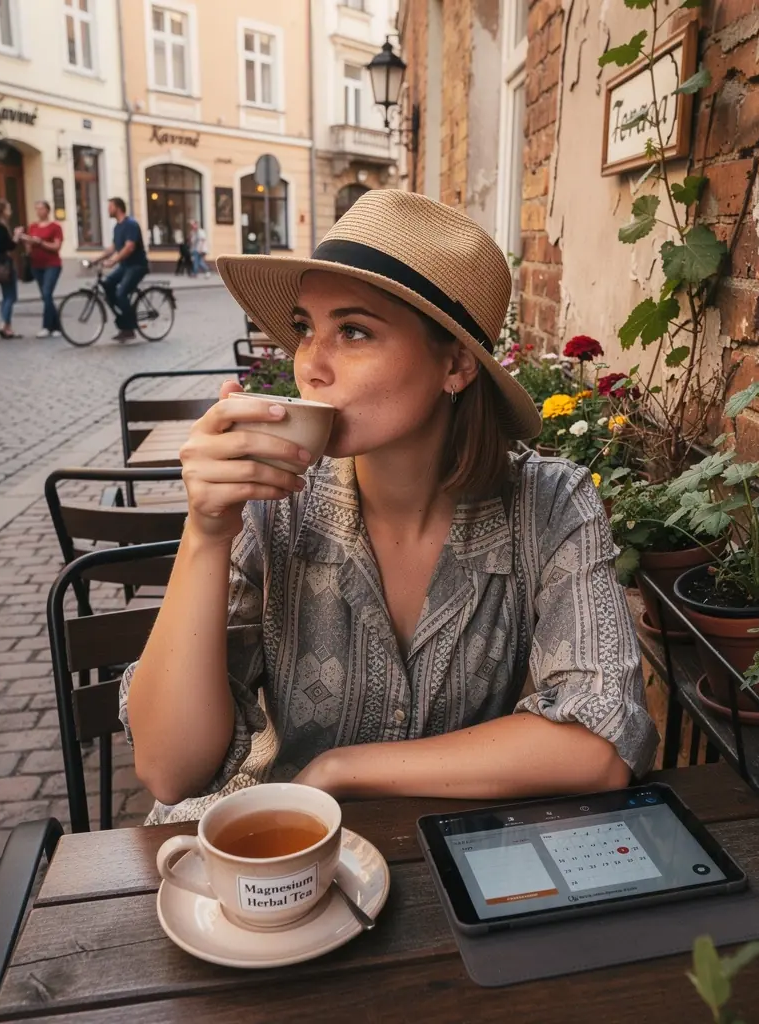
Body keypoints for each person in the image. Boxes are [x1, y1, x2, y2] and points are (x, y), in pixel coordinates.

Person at [120, 190, 658, 825]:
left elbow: (601, 744)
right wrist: (206, 533)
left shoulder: (548, 506)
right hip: (266, 855)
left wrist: (340, 770)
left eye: (353, 331)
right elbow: (168, 771)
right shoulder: (276, 504)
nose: (310, 367)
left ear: (456, 364)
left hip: (442, 867)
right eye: (303, 329)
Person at [94, 196, 149, 342]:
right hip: (125, 266)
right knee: (107, 284)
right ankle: (124, 318)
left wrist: (114, 261)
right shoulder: (117, 227)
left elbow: (129, 247)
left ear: (118, 208)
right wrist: (96, 260)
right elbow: (113, 248)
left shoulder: (130, 224)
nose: (108, 210)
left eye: (110, 207)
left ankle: (129, 327)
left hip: (137, 265)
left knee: (121, 293)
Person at [19, 200, 63, 337]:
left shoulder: (55, 227)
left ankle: (46, 326)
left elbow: (56, 246)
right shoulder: (32, 227)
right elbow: (29, 246)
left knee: (47, 293)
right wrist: (26, 242)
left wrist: (41, 242)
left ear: (47, 210)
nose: (38, 212)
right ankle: (57, 327)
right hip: (36, 264)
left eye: (41, 209)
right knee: (46, 296)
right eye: (36, 209)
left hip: (52, 264)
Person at [0, 199, 20, 339]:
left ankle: (8, 328)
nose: (10, 212)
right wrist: (17, 236)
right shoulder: (0, 227)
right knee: (11, 296)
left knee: (6, 296)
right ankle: (4, 324)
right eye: (8, 209)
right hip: (5, 264)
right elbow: (10, 246)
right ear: (2, 211)